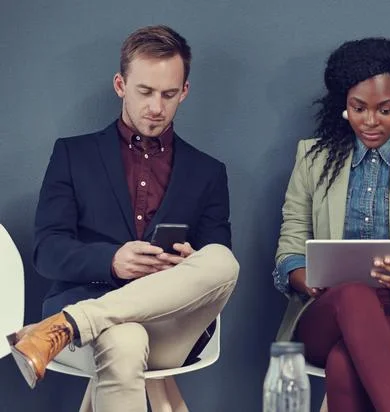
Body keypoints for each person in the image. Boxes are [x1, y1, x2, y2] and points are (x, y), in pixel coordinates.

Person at [7, 25, 239, 412]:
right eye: (145, 92)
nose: (156, 107)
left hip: (172, 325)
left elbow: (216, 268)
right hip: (97, 313)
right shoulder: (72, 155)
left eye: (168, 94)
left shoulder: (208, 172)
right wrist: (112, 261)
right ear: (120, 85)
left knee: (222, 260)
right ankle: (83, 321)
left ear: (184, 91)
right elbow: (47, 252)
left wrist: (185, 264)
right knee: (125, 340)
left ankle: (68, 324)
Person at [272, 37, 390, 412]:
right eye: (359, 108)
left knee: (344, 364)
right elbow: (290, 246)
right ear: (344, 104)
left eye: (385, 109)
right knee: (353, 294)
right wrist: (302, 277)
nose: (370, 121)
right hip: (326, 312)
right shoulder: (312, 158)